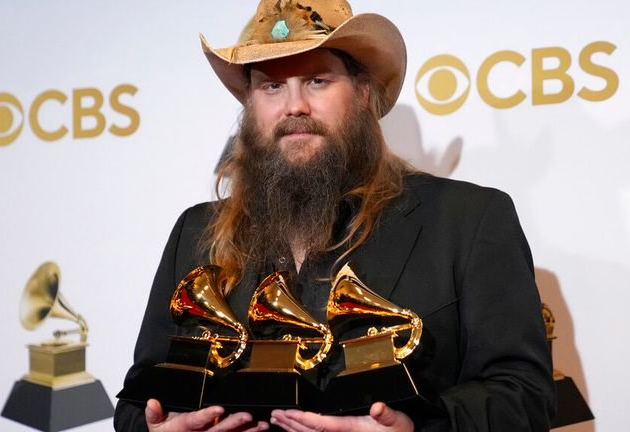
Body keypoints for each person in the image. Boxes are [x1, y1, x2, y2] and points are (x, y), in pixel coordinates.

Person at [114, 1, 555, 431]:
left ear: (363, 92)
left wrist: (418, 427)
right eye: (272, 86)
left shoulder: (468, 220)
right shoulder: (195, 232)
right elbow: (137, 404)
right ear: (250, 106)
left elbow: (525, 396)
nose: (294, 106)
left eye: (317, 80)